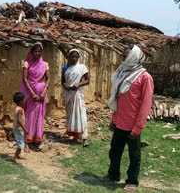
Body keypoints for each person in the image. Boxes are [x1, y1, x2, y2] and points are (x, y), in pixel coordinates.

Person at [102, 45, 154, 191]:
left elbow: (145, 105)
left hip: (132, 125)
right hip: (119, 122)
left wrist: (138, 127)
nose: (122, 59)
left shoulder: (145, 77)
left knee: (134, 155)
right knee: (114, 151)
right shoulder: (122, 73)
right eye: (123, 56)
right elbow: (118, 98)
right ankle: (113, 175)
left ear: (134, 58)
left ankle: (132, 180)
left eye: (125, 56)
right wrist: (114, 119)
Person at [21, 42, 50, 152]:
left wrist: (44, 92)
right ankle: (27, 140)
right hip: (30, 94)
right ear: (32, 52)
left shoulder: (45, 64)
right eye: (35, 51)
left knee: (39, 115)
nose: (37, 53)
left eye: (39, 51)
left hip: (41, 93)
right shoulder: (27, 63)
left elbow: (48, 78)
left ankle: (38, 139)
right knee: (30, 114)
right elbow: (24, 79)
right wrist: (32, 93)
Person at [61, 49, 90, 147]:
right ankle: (74, 136)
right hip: (69, 95)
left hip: (78, 94)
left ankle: (84, 138)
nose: (74, 58)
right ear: (69, 57)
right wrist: (66, 86)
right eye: (72, 56)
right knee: (71, 116)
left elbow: (87, 80)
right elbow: (63, 82)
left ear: (78, 57)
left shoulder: (82, 67)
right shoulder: (65, 68)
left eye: (76, 57)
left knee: (81, 114)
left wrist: (79, 84)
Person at [12, 92, 28, 163]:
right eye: (24, 99)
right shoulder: (20, 110)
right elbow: (19, 120)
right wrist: (25, 129)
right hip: (18, 129)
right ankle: (15, 157)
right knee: (20, 144)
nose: (25, 101)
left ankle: (18, 155)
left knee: (20, 142)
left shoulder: (17, 108)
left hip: (17, 129)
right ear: (21, 101)